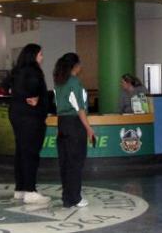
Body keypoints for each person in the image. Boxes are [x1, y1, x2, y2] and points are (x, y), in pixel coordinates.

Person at [9, 44, 50, 204]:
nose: (42, 57)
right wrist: (39, 100)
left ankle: (20, 188)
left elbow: (6, 87)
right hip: (31, 118)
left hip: (17, 115)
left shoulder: (17, 71)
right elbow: (34, 94)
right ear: (33, 56)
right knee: (31, 153)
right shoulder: (34, 72)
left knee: (21, 152)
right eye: (40, 54)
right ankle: (30, 191)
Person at [53, 53, 95, 208]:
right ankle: (75, 197)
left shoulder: (59, 82)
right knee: (76, 162)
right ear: (75, 66)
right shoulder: (74, 82)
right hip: (75, 125)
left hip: (62, 123)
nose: (81, 67)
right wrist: (89, 128)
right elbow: (80, 108)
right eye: (80, 64)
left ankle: (67, 197)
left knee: (65, 162)